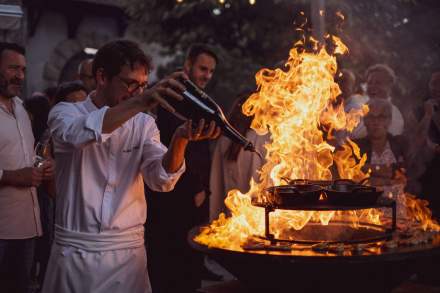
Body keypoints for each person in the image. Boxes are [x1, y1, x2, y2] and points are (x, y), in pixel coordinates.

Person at [41, 40, 220, 293]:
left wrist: (180, 140)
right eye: (130, 83)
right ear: (102, 76)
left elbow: (161, 178)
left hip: (128, 256)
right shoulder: (66, 112)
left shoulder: (144, 124)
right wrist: (141, 101)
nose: (137, 93)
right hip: (75, 252)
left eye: (143, 86)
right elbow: (75, 135)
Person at [146, 43, 218, 293]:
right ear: (188, 65)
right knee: (171, 266)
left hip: (191, 198)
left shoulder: (199, 98)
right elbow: (169, 145)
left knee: (189, 266)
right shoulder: (173, 97)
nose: (206, 75)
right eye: (202, 68)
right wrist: (196, 187)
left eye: (210, 71)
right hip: (171, 195)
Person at [0, 42, 55, 293]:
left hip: (27, 227)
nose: (20, 76)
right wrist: (11, 176)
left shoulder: (22, 109)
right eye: (13, 68)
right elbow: (14, 171)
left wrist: (43, 165)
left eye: (22, 69)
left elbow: (23, 156)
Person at [210, 92, 268, 221]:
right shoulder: (265, 140)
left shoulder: (224, 141)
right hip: (259, 220)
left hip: (232, 218)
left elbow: (216, 186)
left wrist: (215, 218)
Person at [354, 99, 408, 218]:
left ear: (389, 121)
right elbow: (355, 179)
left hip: (397, 211)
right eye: (371, 117)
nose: (376, 122)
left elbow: (403, 175)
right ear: (365, 120)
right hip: (367, 213)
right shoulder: (355, 147)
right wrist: (388, 181)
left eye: (382, 117)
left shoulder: (400, 144)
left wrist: (369, 170)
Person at [351, 64, 405, 139]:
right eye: (370, 83)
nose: (372, 86)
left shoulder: (395, 115)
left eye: (378, 83)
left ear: (389, 86)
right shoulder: (357, 109)